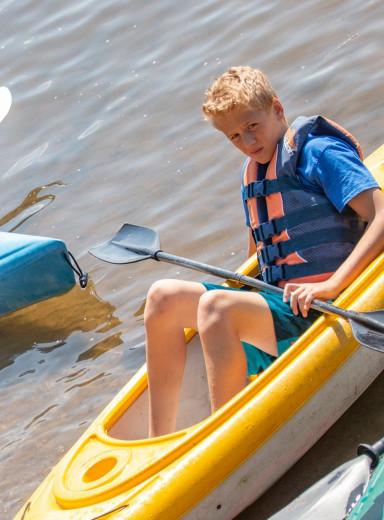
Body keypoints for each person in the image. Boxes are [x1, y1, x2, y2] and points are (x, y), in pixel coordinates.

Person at [144, 66, 384, 437]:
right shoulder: (254, 174)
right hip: (281, 307)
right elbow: (262, 254)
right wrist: (238, 296)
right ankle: (159, 439)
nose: (247, 142)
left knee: (215, 308)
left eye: (252, 126)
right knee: (162, 297)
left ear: (277, 109)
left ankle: (225, 441)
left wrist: (334, 284)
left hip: (320, 306)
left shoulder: (319, 153)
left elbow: (381, 215)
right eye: (234, 136)